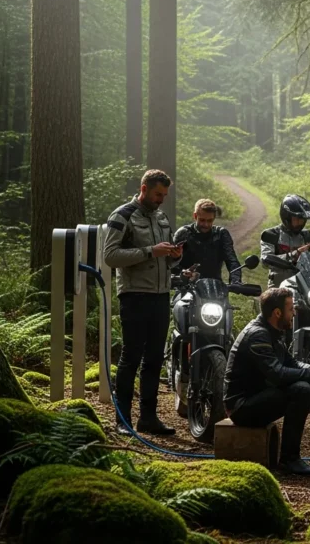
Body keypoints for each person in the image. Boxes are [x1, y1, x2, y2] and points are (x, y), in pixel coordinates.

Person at [223, 288, 310, 476]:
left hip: (260, 394)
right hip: (241, 407)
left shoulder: (272, 330)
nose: (295, 313)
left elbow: (292, 363)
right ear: (277, 313)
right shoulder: (258, 335)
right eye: (291, 309)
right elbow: (277, 374)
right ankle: (289, 458)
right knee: (301, 390)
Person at [103, 169, 182, 436]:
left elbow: (167, 256)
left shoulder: (161, 217)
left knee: (154, 359)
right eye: (158, 194)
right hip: (134, 295)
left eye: (164, 195)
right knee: (131, 357)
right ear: (144, 188)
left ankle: (148, 418)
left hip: (161, 296)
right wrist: (150, 251)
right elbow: (111, 256)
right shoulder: (122, 215)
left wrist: (174, 255)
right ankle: (122, 419)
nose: (161, 200)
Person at [172, 199, 242, 284]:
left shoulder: (221, 234)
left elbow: (231, 260)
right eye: (202, 220)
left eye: (210, 221)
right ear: (195, 216)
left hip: (215, 289)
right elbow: (171, 262)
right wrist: (182, 273)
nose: (206, 225)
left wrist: (236, 280)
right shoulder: (184, 233)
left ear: (214, 218)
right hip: (186, 289)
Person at [260, 194, 310, 289]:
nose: (300, 223)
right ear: (286, 217)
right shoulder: (271, 235)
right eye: (296, 219)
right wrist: (297, 253)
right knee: (270, 302)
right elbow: (265, 261)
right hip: (278, 287)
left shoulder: (308, 235)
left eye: (302, 220)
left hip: (304, 287)